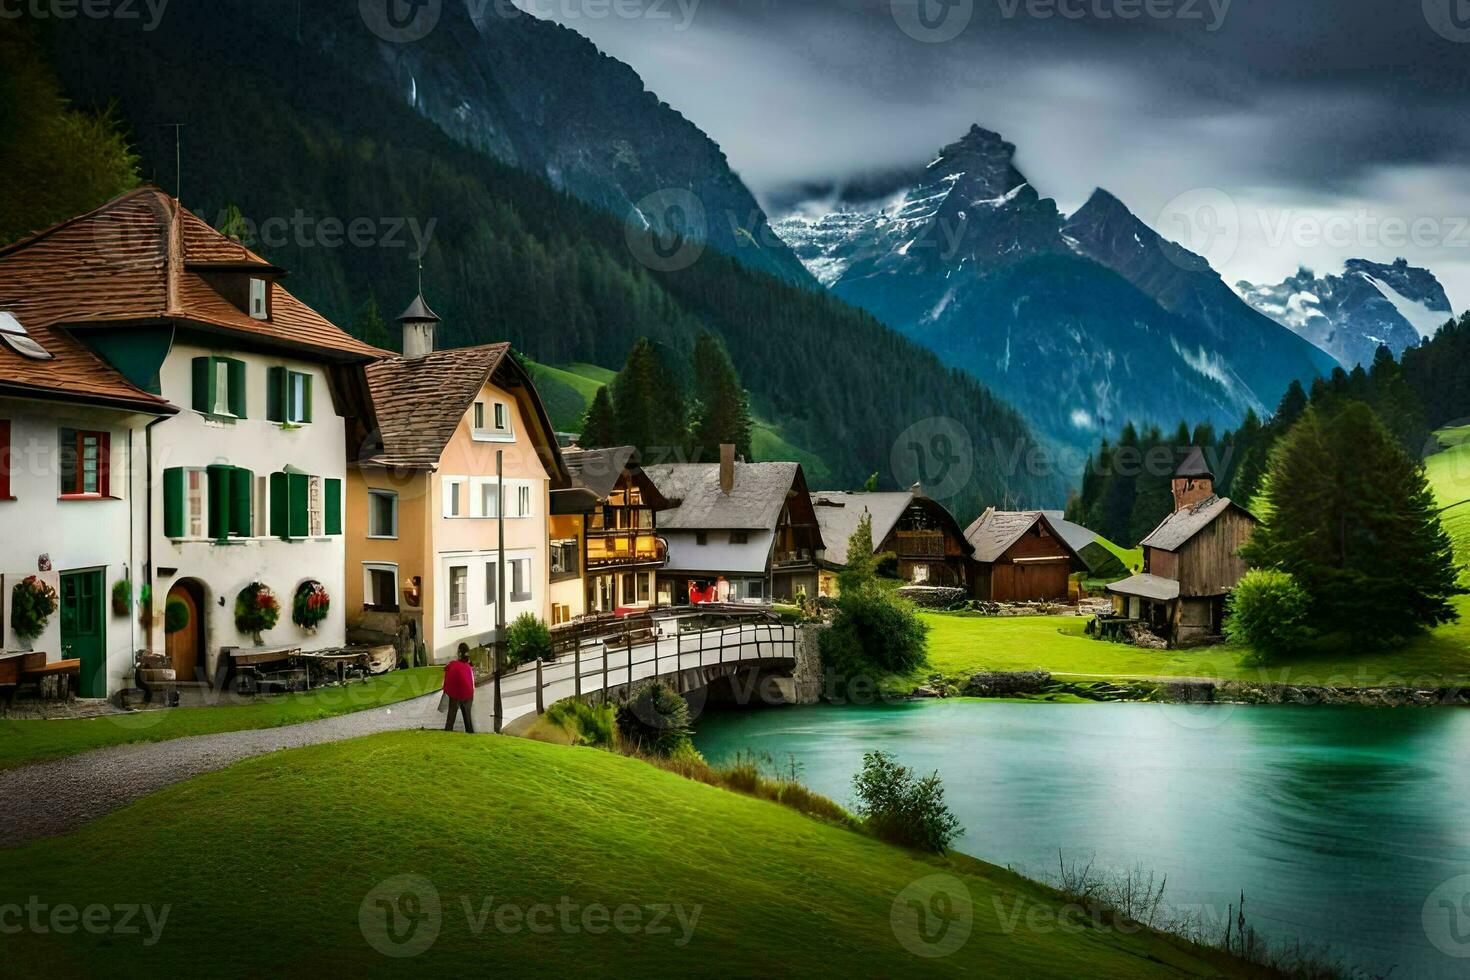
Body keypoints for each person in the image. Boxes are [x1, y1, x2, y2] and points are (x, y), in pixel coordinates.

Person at [442, 644, 475, 733]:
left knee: (451, 715)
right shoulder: (468, 666)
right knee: (467, 718)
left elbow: (446, 670)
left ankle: (448, 732)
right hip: (468, 694)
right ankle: (470, 733)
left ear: (459, 652)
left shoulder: (453, 664)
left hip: (456, 694)